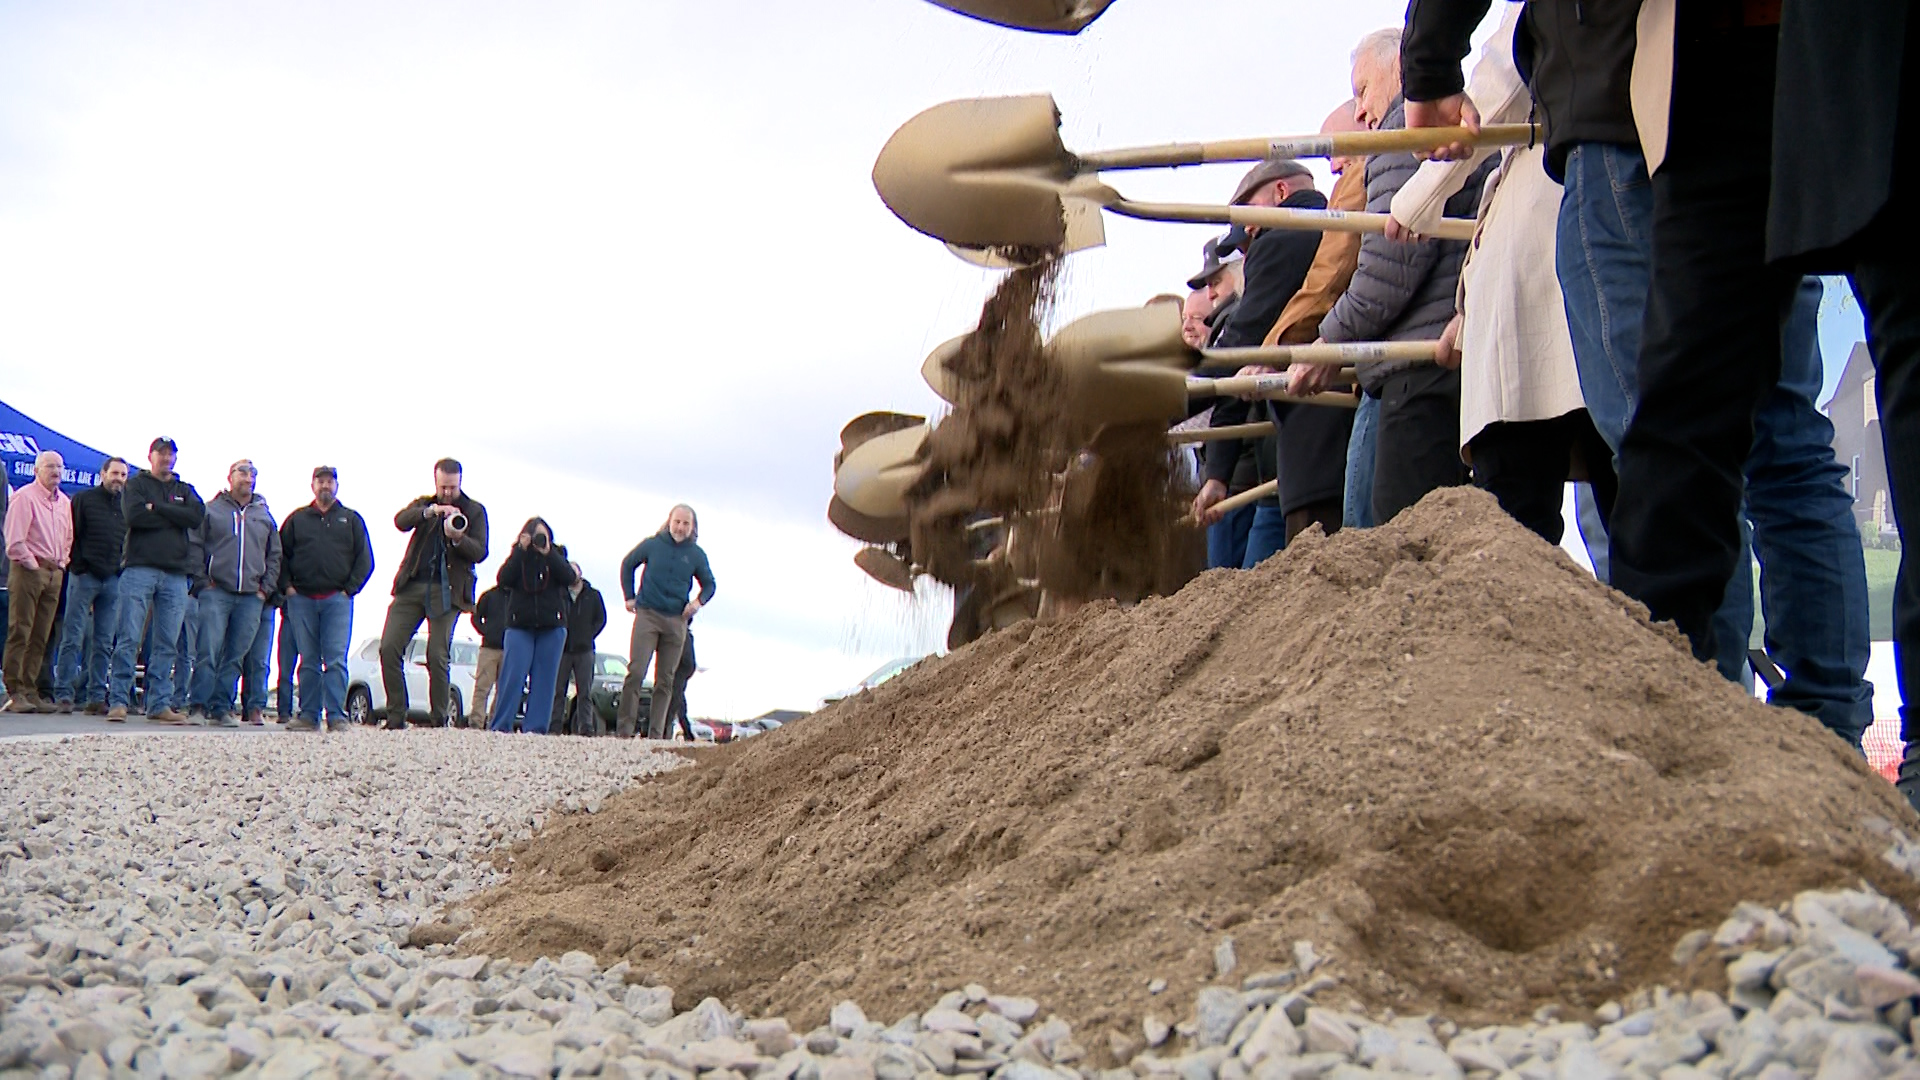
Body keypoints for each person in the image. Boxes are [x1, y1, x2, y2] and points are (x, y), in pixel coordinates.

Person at [1400, 0, 1882, 752]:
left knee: (1668, 446)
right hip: (1780, 91)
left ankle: (1698, 724)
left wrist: (1427, 64)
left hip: (1625, 106)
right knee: (1785, 439)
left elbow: (1489, 73)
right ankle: (1830, 730)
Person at [1391, 3, 1613, 548]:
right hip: (1543, 294)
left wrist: (1415, 200)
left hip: (1546, 290)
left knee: (1526, 518)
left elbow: (1494, 92)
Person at [1305, 28, 1493, 528]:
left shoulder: (1399, 137)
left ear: (1399, 67)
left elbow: (1389, 270)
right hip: (1445, 358)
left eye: (1361, 90)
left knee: (1402, 544)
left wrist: (1327, 342)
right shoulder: (1440, 128)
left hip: (1420, 374)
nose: (1360, 111)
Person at [1210, 156, 1353, 550]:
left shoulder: (1280, 239)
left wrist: (1166, 399)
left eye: (1249, 214)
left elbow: (1242, 345)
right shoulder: (1336, 224)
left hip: (1313, 441)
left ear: (1281, 192)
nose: (1249, 230)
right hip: (1332, 436)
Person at [1271, 100, 1372, 530]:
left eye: (1334, 149)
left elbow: (1330, 273)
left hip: (1384, 377)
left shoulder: (1365, 173)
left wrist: (1272, 350)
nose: (1333, 166)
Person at [379, 458, 489, 729]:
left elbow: (481, 551)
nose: (448, 493)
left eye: (453, 487)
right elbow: (400, 521)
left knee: (437, 654)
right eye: (443, 487)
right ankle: (396, 714)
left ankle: (439, 718)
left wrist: (457, 537)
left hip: (448, 590)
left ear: (460, 482)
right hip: (413, 584)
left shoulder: (474, 511)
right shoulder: (426, 503)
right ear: (435, 482)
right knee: (389, 647)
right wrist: (429, 512)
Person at [106, 439, 203, 722]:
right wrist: (174, 515)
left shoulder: (185, 489)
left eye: (170, 454)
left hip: (175, 574)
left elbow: (196, 517)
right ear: (151, 456)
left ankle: (159, 703)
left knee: (166, 642)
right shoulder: (136, 485)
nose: (166, 458)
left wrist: (157, 509)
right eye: (161, 453)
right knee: (128, 636)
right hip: (139, 568)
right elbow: (134, 516)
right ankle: (119, 701)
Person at [279, 465, 374, 732]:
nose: (325, 486)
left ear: (336, 486)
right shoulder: (297, 520)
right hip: (302, 600)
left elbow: (365, 560)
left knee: (335, 660)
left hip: (337, 600)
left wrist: (349, 590)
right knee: (308, 659)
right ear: (312, 486)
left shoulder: (351, 519)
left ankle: (336, 715)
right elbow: (280, 555)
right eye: (320, 481)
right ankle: (308, 715)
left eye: (330, 482)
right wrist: (287, 587)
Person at [192, 461, 280, 728]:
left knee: (235, 655)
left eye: (252, 474)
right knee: (208, 649)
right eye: (242, 472)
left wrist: (265, 589)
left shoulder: (264, 516)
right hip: (216, 591)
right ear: (230, 477)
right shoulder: (211, 510)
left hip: (251, 596)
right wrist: (202, 581)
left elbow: (274, 554)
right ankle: (198, 706)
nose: (248, 477)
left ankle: (222, 708)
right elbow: (195, 545)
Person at [617, 504, 716, 740]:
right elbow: (627, 564)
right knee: (636, 671)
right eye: (677, 522)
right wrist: (629, 596)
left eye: (685, 524)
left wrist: (697, 603)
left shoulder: (696, 554)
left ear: (692, 527)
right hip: (648, 614)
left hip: (676, 620)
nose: (680, 527)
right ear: (669, 521)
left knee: (666, 680)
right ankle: (624, 731)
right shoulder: (653, 545)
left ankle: (657, 734)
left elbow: (710, 584)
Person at [52, 456, 128, 714]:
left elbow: (127, 541)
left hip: (112, 580)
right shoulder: (84, 499)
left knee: (104, 641)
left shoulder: (126, 505)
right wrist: (79, 564)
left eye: (123, 475)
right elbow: (71, 534)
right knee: (72, 637)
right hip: (84, 576)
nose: (118, 479)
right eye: (115, 473)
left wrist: (120, 568)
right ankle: (64, 694)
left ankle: (96, 696)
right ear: (103, 474)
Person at [488, 519, 576, 735]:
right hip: (520, 625)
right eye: (534, 536)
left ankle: (535, 729)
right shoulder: (518, 557)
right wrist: (520, 551)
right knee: (512, 675)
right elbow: (503, 580)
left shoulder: (557, 556)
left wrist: (549, 554)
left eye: (542, 536)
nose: (538, 540)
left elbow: (570, 577)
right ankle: (501, 726)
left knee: (545, 680)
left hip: (552, 627)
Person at [4, 451, 73, 714]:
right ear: (36, 470)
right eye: (49, 466)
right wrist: (33, 565)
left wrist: (62, 563)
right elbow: (15, 540)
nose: (55, 471)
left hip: (54, 572)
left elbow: (68, 537)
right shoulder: (24, 497)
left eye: (59, 466)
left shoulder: (64, 502)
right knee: (21, 629)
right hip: (28, 569)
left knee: (41, 634)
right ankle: (14, 690)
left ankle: (31, 689)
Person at [551, 561, 607, 736]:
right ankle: (555, 726)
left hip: (585, 650)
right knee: (558, 690)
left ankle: (586, 728)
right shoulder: (560, 594)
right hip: (564, 649)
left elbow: (601, 619)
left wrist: (589, 635)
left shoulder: (593, 595)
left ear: (580, 573)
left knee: (585, 692)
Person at [468, 585, 508, 728]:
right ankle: (476, 722)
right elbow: (476, 617)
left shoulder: (517, 596)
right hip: (489, 648)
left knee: (503, 689)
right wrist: (486, 631)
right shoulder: (489, 596)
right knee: (482, 687)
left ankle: (495, 722)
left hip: (509, 649)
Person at [666, 623, 697, 741]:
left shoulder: (683, 635)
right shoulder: (687, 635)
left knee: (675, 698)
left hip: (680, 668)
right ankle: (686, 731)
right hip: (683, 668)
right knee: (678, 698)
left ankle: (666, 729)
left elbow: (687, 661)